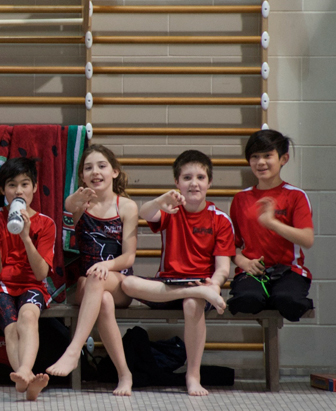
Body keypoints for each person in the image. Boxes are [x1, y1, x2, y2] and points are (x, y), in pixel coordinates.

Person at [121, 150, 234, 396]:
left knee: (193, 302)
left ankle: (193, 376)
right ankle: (197, 291)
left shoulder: (220, 220)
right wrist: (161, 201)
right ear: (177, 182)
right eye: (187, 177)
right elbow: (144, 214)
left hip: (201, 287)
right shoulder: (171, 210)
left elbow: (223, 267)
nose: (194, 183)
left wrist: (214, 285)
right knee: (127, 283)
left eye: (201, 177)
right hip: (167, 286)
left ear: (209, 182)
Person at [46, 145, 138, 396]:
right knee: (101, 297)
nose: (95, 172)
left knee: (101, 283)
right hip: (87, 285)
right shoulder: (77, 202)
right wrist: (73, 207)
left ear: (115, 172)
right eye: (88, 168)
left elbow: (129, 257)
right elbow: (65, 234)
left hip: (118, 280)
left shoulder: (127, 206)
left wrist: (107, 265)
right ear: (82, 176)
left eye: (101, 166)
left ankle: (73, 351)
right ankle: (124, 374)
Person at [0, 157, 55, 401]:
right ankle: (26, 378)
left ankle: (23, 375)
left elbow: (41, 274)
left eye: (24, 184)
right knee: (11, 327)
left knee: (28, 316)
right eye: (12, 185)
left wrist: (26, 237)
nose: (18, 191)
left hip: (32, 285)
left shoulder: (45, 223)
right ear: (3, 190)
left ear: (34, 187)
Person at [227, 130, 314, 322]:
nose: (260, 162)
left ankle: (276, 295)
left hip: (289, 271)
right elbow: (231, 246)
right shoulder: (240, 199)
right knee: (246, 301)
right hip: (253, 272)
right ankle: (262, 294)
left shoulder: (296, 196)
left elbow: (307, 239)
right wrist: (244, 263)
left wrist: (272, 223)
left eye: (267, 156)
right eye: (255, 157)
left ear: (283, 158)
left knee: (288, 301)